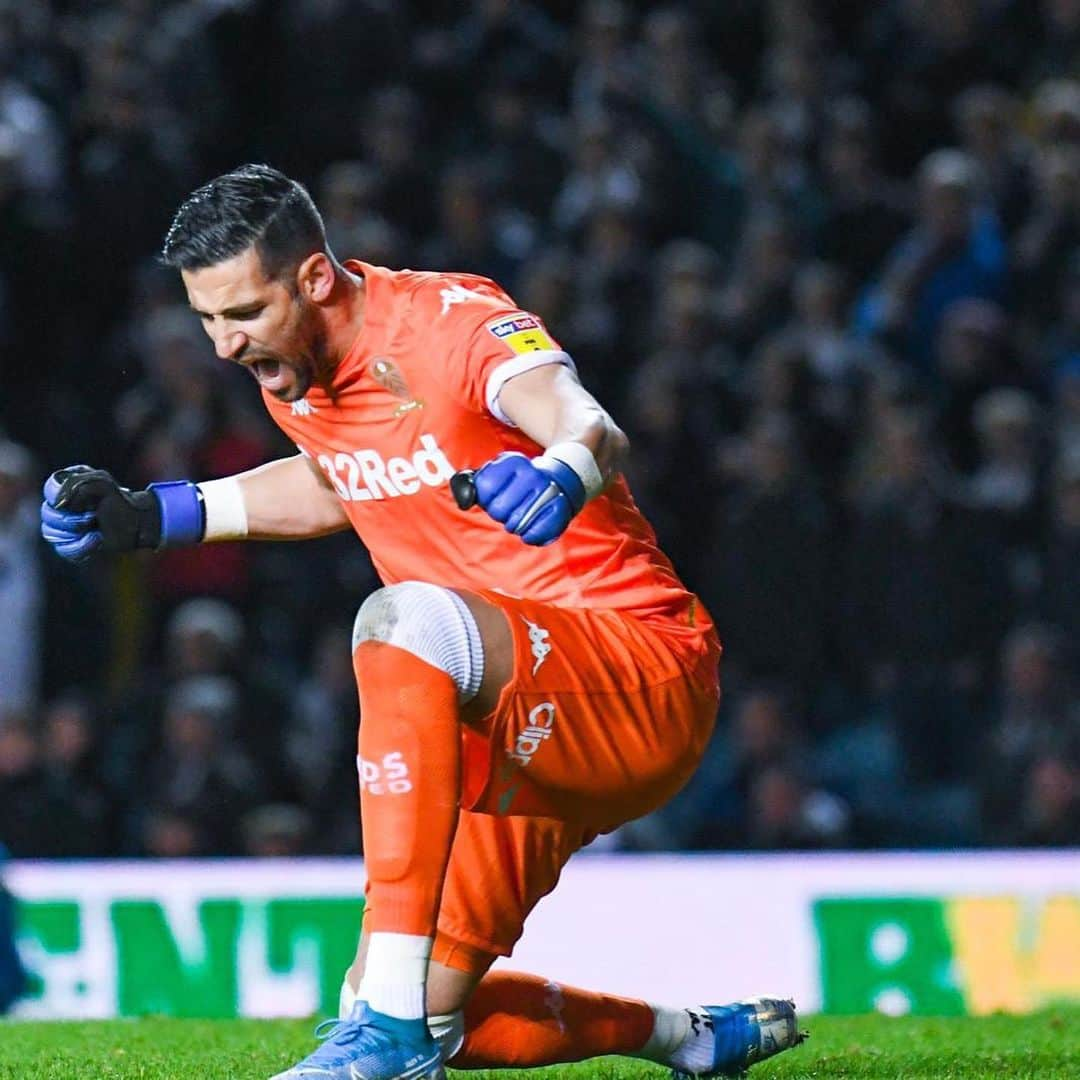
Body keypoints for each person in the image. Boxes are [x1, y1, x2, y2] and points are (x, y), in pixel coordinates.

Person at [39, 165, 804, 1080]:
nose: (222, 347)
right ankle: (686, 1036)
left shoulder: (451, 320)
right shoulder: (293, 369)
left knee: (399, 621)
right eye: (206, 319)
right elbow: (341, 477)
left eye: (240, 314)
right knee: (400, 1005)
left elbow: (584, 419)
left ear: (315, 277)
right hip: (506, 732)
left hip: (637, 668)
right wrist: (156, 515)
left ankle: (395, 1035)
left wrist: (562, 472)